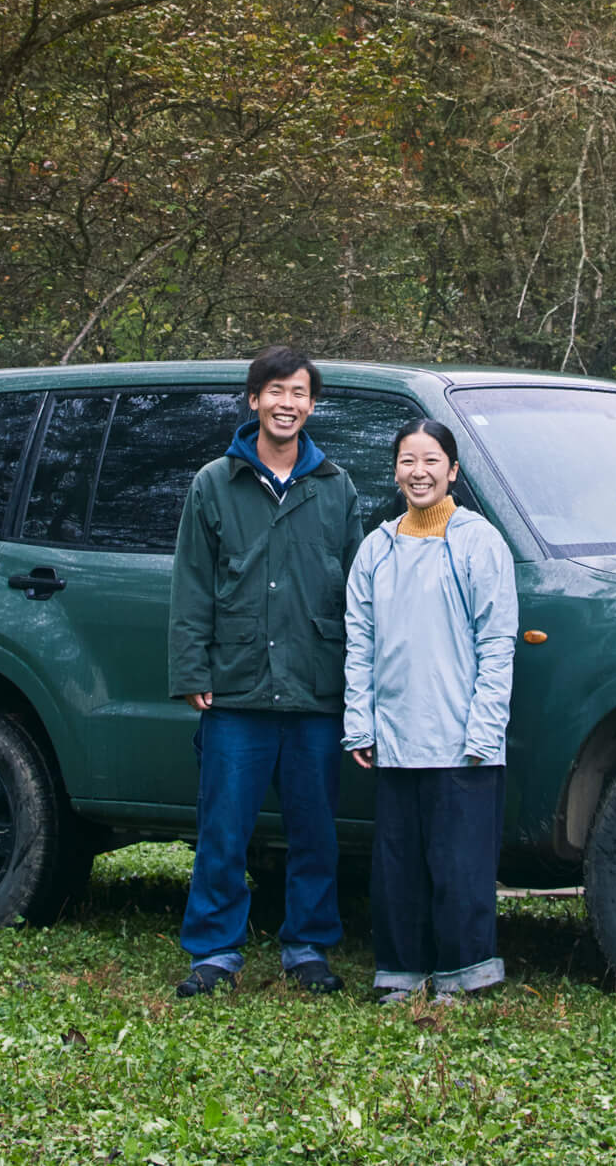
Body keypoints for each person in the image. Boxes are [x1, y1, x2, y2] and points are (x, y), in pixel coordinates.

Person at [169, 346, 362, 997]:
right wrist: (192, 667)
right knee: (223, 828)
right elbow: (191, 584)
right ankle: (214, 951)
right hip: (236, 686)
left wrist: (358, 682)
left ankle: (308, 946)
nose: (287, 403)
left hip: (315, 688)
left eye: (299, 392)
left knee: (315, 831)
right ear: (253, 400)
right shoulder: (213, 484)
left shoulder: (336, 486)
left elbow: (357, 592)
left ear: (312, 404)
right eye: (275, 390)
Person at [343, 418, 518, 1003]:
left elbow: (497, 642)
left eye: (431, 461)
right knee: (398, 868)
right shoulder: (376, 547)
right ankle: (400, 972)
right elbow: (360, 641)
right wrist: (360, 722)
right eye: (407, 461)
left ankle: (466, 975)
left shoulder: (480, 543)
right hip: (395, 736)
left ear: (453, 471)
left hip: (462, 741)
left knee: (460, 867)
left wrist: (484, 729)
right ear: (395, 471)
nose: (419, 472)